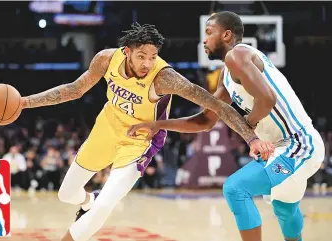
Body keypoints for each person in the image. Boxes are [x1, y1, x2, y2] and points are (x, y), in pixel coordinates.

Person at [20, 23, 274, 241]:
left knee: (104, 208)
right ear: (127, 52)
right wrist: (24, 102)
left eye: (153, 56)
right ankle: (88, 201)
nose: (148, 63)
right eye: (142, 56)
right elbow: (74, 90)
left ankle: (89, 212)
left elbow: (215, 105)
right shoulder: (107, 59)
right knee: (66, 195)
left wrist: (251, 137)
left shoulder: (164, 78)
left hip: (139, 141)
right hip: (106, 129)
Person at [127, 12, 325, 241]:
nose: (204, 40)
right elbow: (205, 120)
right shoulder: (227, 75)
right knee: (284, 208)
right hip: (282, 147)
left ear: (227, 35)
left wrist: (247, 128)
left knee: (235, 188)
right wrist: (158, 125)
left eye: (209, 33)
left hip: (299, 143)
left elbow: (267, 99)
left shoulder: (238, 55)